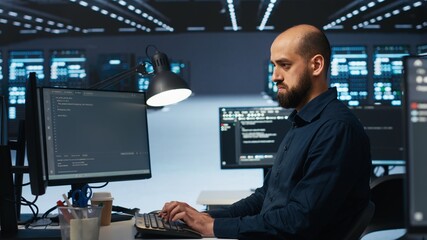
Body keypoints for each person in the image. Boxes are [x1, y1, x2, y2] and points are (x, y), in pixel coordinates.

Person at [160, 24, 372, 240]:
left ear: (316, 65)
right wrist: (204, 217)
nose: (275, 76)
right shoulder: (304, 123)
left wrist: (212, 228)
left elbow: (298, 221)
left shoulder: (336, 130)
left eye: (285, 65)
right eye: (274, 66)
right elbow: (264, 197)